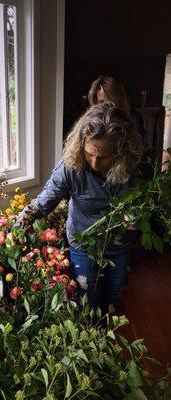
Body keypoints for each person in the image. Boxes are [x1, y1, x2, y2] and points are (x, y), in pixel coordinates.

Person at [18, 102, 145, 312]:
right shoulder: (71, 166)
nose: (94, 163)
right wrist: (18, 226)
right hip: (83, 243)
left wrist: (139, 219)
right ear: (81, 145)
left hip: (120, 247)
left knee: (113, 298)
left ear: (121, 150)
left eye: (104, 157)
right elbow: (43, 202)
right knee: (86, 302)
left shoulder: (135, 168)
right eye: (89, 154)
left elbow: (148, 207)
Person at [87, 74, 145, 138]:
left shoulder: (134, 117)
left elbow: (139, 145)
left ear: (118, 98)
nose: (107, 105)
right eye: (102, 102)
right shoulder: (94, 122)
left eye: (110, 100)